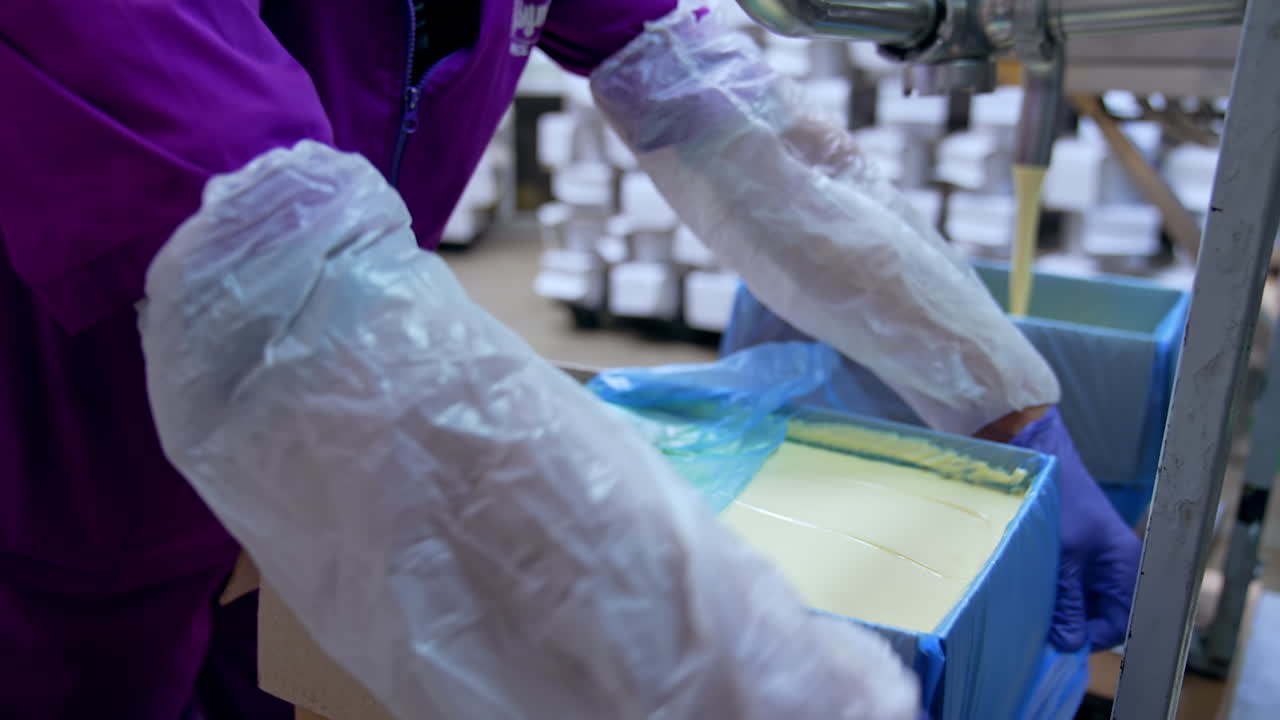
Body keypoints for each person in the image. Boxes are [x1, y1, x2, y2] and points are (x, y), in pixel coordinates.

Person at [0, 2, 1137, 718]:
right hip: (54, 502)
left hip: (256, 500)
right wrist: (782, 692)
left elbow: (725, 121)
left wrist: (1003, 398)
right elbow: (301, 299)